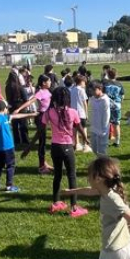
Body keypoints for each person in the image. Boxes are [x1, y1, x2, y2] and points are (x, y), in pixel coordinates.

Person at [44, 87, 89, 217]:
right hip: (67, 147)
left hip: (55, 147)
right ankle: (74, 208)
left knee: (57, 175)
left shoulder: (49, 112)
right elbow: (79, 126)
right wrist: (85, 138)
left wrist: (29, 147)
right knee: (71, 176)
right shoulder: (73, 112)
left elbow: (41, 129)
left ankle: (56, 203)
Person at [0, 100, 37, 193]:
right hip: (7, 147)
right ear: (4, 109)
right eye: (7, 108)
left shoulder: (5, 117)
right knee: (10, 165)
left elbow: (17, 116)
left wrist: (31, 115)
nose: (8, 110)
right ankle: (9, 186)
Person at [16, 74, 54, 174]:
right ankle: (41, 167)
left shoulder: (47, 91)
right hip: (41, 117)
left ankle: (43, 162)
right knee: (41, 143)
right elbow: (30, 102)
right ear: (44, 83)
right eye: (49, 81)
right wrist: (19, 109)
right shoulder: (40, 92)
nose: (50, 82)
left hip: (46, 117)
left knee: (42, 141)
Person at [103, 68, 125, 147]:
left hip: (107, 106)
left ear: (108, 75)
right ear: (116, 75)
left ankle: (106, 141)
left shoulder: (105, 84)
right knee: (116, 124)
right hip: (116, 106)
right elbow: (122, 96)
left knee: (106, 124)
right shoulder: (119, 84)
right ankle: (117, 142)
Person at [70, 74, 92, 152]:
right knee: (84, 129)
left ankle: (77, 145)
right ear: (81, 82)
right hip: (81, 113)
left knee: (75, 129)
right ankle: (85, 146)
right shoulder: (81, 90)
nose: (85, 84)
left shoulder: (72, 89)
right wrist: (86, 114)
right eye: (84, 82)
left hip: (73, 113)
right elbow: (84, 103)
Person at [89, 81, 111, 156]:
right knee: (94, 148)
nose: (92, 92)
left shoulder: (105, 100)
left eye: (94, 90)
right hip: (94, 127)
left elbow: (106, 115)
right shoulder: (92, 99)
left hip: (102, 128)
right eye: (91, 91)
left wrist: (104, 129)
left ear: (100, 89)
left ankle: (104, 165)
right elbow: (91, 111)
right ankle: (100, 162)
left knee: (102, 150)